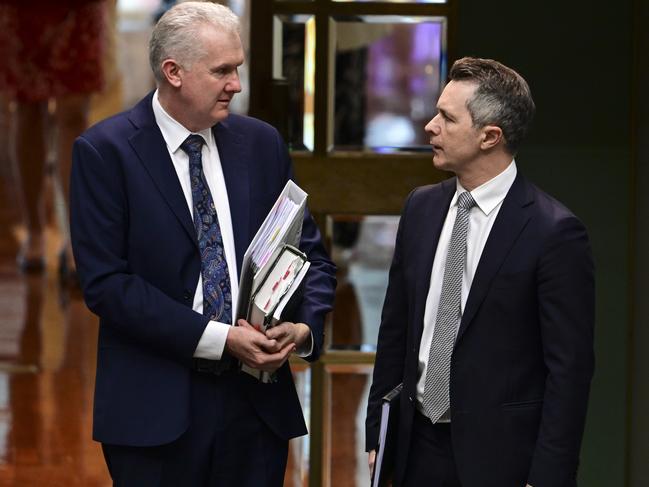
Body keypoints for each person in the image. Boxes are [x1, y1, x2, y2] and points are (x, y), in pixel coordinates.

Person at [69, 2, 336, 486]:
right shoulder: (104, 152)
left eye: (237, 68)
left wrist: (303, 327)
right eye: (222, 71)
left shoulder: (261, 145)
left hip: (256, 410)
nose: (236, 83)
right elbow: (106, 285)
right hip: (154, 411)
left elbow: (309, 254)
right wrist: (222, 340)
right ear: (173, 72)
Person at [365, 57, 594, 487]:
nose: (430, 127)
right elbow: (395, 329)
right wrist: (379, 430)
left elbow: (570, 371)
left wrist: (548, 477)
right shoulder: (421, 207)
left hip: (501, 460)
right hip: (414, 447)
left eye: (447, 118)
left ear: (490, 136)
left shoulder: (554, 232)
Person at [0, 0, 106, 275]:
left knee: (73, 114)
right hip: (22, 10)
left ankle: (75, 236)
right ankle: (34, 228)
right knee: (26, 109)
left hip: (77, 8)